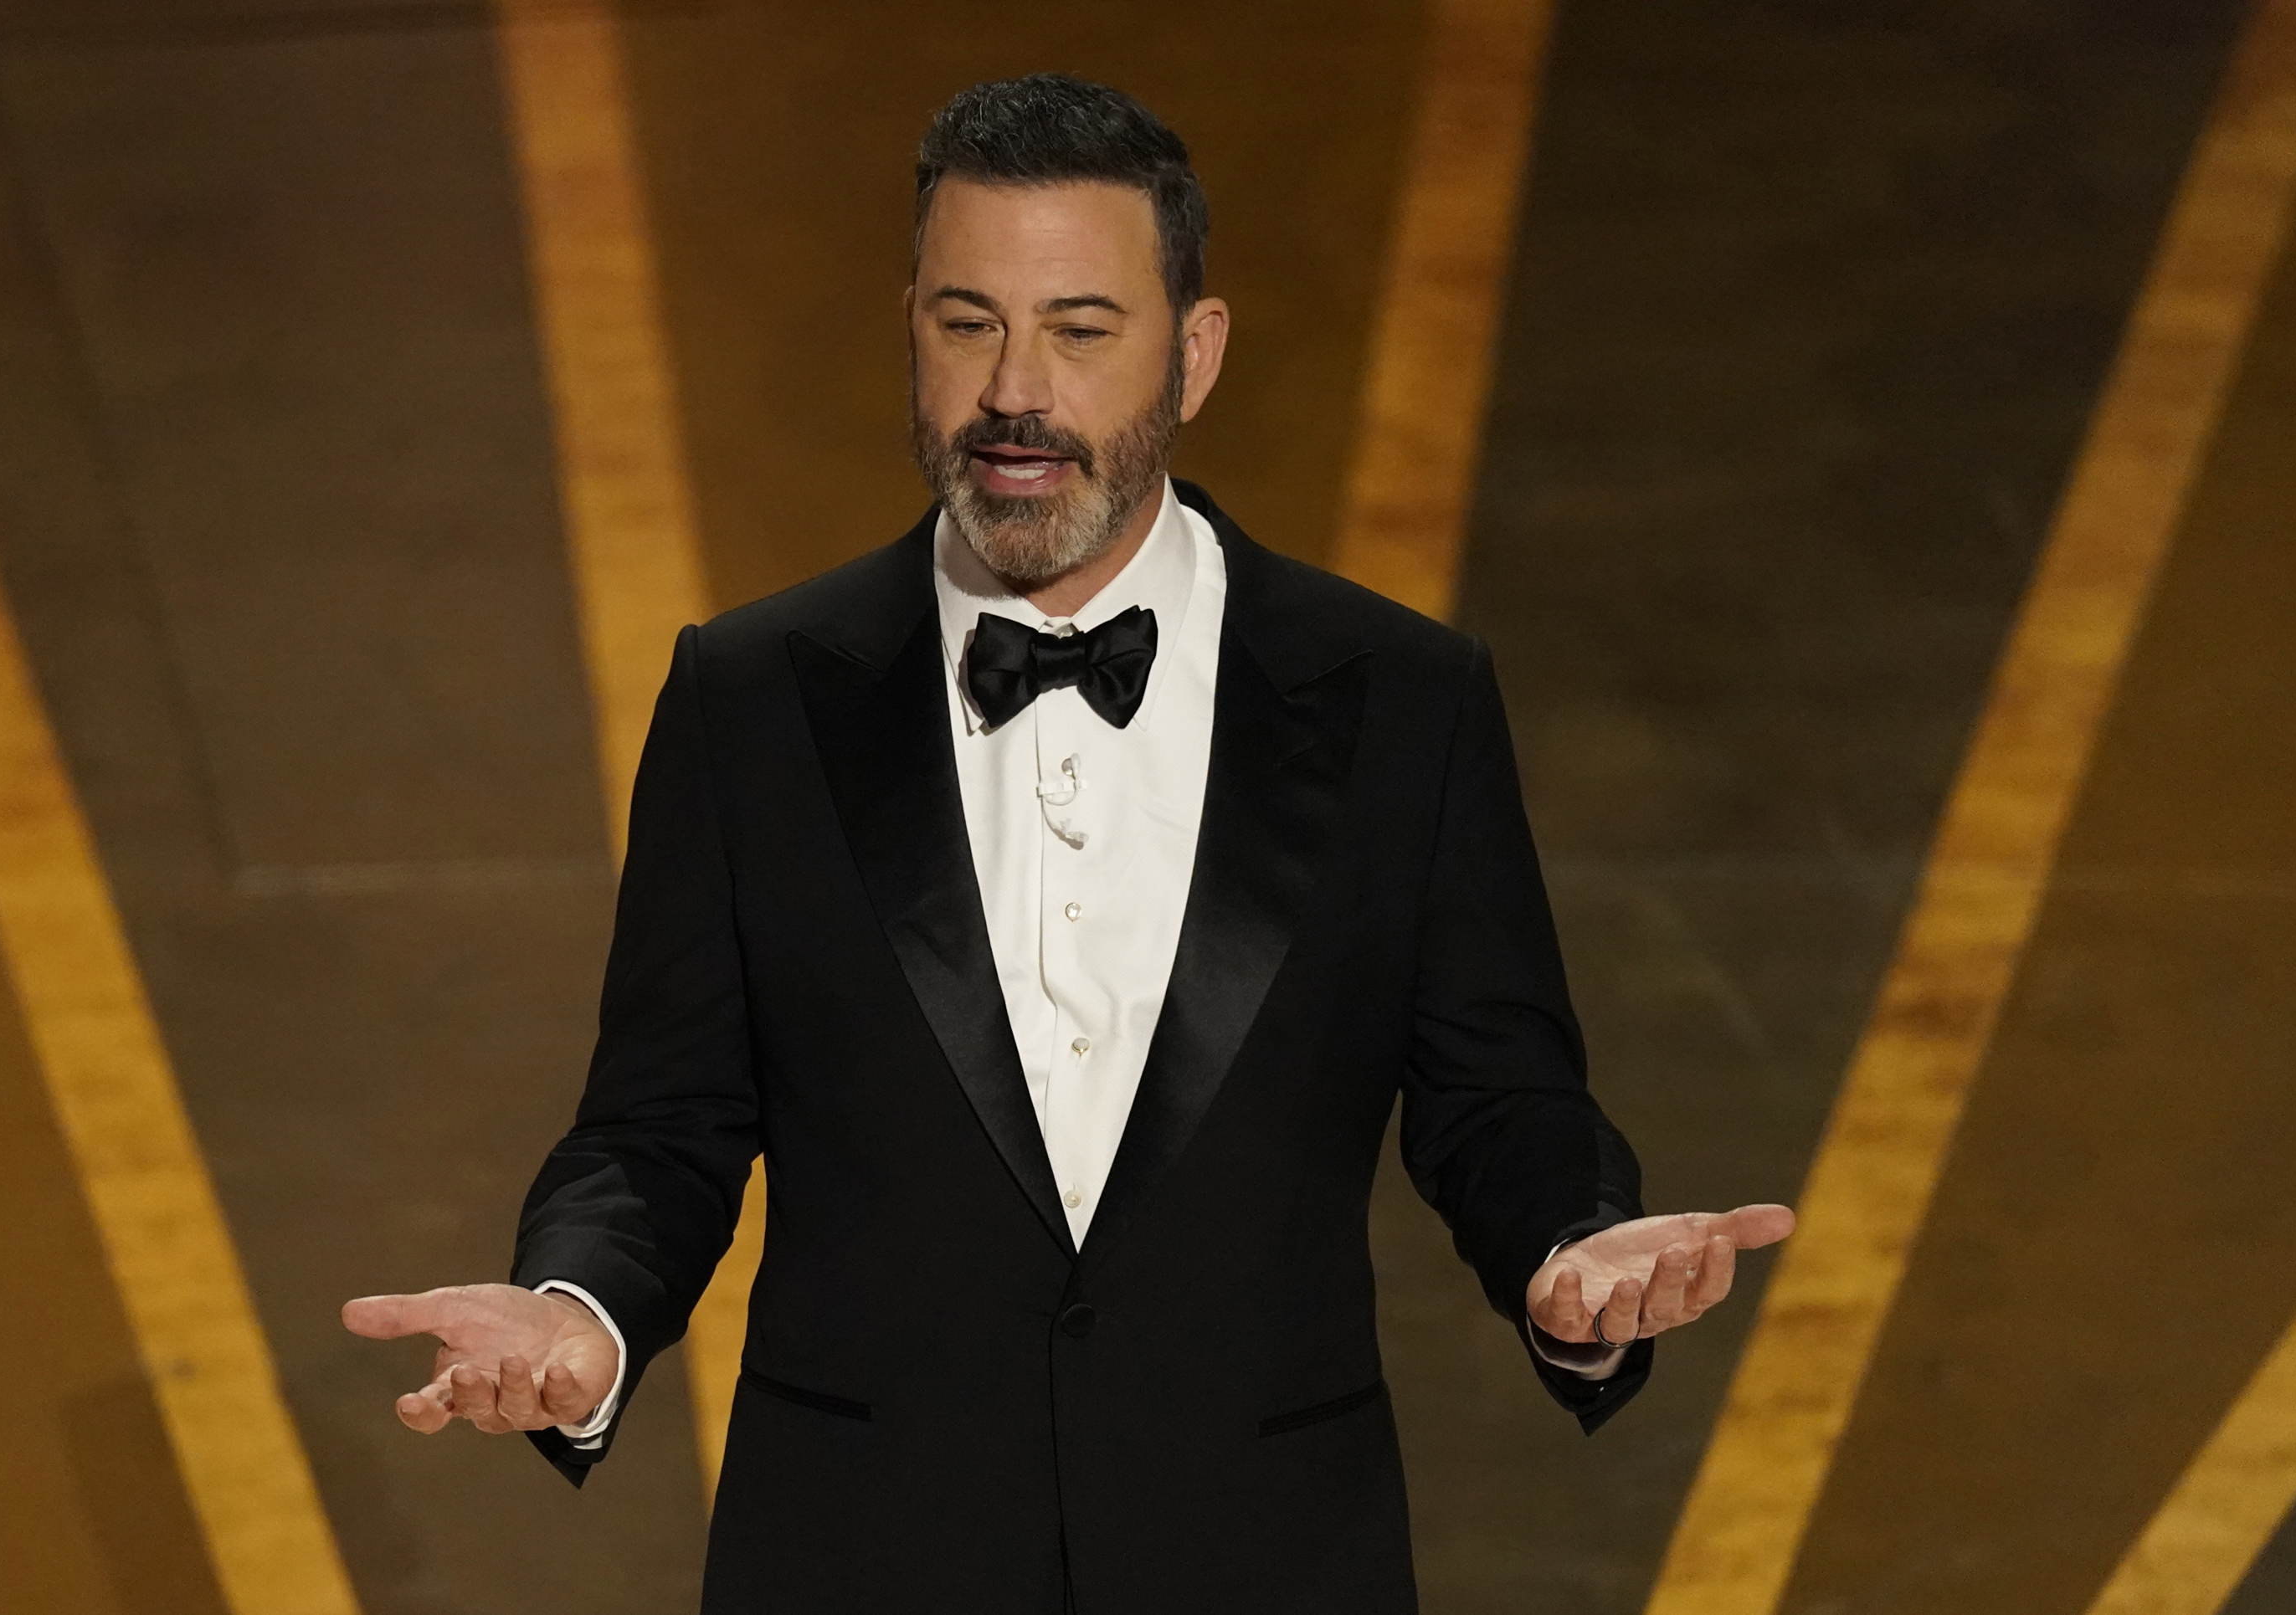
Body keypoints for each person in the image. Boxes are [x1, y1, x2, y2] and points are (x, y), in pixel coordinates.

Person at [344, 74, 1793, 1614]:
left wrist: (1573, 1256)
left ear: (1197, 349)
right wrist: (585, 1311)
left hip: (1266, 1561)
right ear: (909, 325)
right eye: (968, 323)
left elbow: (1497, 1097)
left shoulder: (1402, 700)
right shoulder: (751, 697)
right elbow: (660, 1122)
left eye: (1080, 330)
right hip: (858, 1561)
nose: (1013, 391)